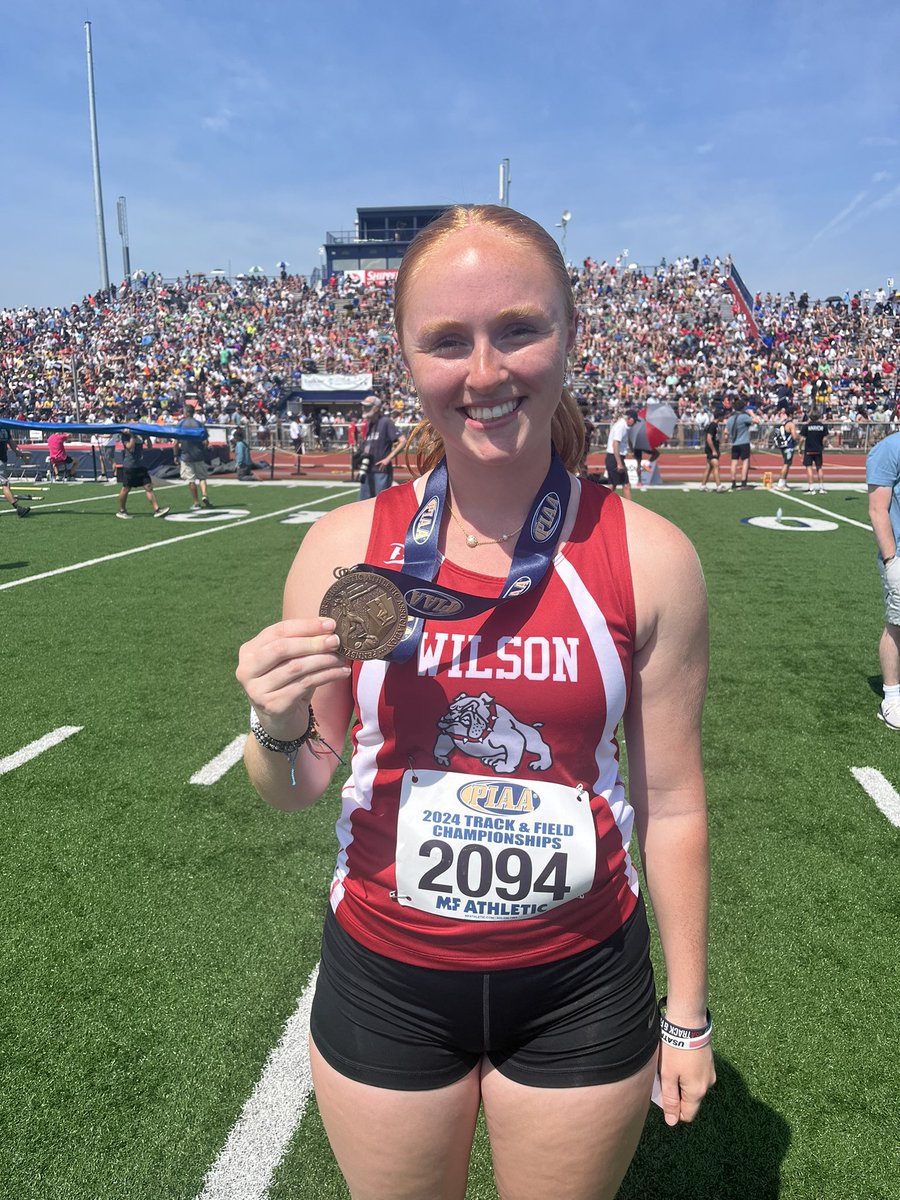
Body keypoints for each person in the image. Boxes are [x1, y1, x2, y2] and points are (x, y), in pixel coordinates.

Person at [236, 205, 715, 1200]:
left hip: (581, 983)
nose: (486, 372)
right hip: (388, 977)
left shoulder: (652, 558)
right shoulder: (340, 552)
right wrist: (277, 725)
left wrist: (689, 1014)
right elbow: (298, 784)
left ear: (571, 336)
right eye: (447, 342)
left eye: (518, 330)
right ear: (408, 360)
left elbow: (673, 803)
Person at [866, 431, 900, 729]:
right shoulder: (889, 448)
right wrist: (891, 559)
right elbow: (878, 509)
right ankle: (891, 696)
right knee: (897, 624)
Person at [357, 395, 405, 499]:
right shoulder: (369, 424)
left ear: (376, 408)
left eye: (368, 406)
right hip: (368, 470)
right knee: (363, 505)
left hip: (380, 471)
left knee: (381, 504)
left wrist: (388, 459)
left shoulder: (385, 422)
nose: (364, 409)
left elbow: (402, 441)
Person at [116, 429, 170, 520]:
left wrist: (147, 435)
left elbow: (149, 446)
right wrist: (132, 436)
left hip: (141, 465)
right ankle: (122, 510)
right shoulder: (125, 435)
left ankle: (157, 510)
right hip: (130, 466)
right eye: (134, 419)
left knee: (148, 487)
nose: (136, 421)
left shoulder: (140, 433)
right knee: (126, 488)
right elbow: (130, 448)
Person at [173, 402, 212, 509]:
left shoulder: (180, 424)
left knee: (191, 480)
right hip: (198, 454)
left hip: (186, 455)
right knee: (202, 477)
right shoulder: (199, 424)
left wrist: (175, 455)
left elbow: (175, 442)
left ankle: (196, 502)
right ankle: (204, 495)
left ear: (185, 413)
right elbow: (206, 442)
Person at [725, 396, 760, 488]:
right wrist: (751, 413)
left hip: (734, 443)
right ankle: (743, 482)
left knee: (734, 462)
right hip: (744, 442)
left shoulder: (730, 418)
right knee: (745, 462)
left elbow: (726, 431)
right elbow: (757, 421)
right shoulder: (744, 417)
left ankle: (733, 482)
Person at [605, 408, 636, 498]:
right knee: (626, 485)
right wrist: (619, 463)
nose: (634, 424)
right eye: (634, 420)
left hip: (613, 458)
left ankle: (599, 505)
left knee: (612, 485)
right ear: (630, 418)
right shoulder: (621, 426)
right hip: (614, 458)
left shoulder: (622, 426)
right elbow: (615, 444)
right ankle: (630, 510)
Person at [0, 423, 30, 517]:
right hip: (1, 460)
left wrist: (20, 454)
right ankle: (17, 507)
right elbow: (11, 443)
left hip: (2, 459)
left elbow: (11, 443)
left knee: (5, 483)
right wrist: (19, 454)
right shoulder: (5, 427)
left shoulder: (5, 427)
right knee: (5, 484)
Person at [800, 408, 828, 494]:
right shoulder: (823, 426)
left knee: (809, 468)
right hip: (818, 449)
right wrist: (822, 446)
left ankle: (811, 488)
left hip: (809, 449)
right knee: (819, 468)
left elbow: (802, 439)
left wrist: (799, 448)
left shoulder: (806, 426)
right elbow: (825, 439)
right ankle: (821, 487)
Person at [700, 408, 728, 491]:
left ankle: (703, 485)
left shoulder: (716, 425)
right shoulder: (713, 425)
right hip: (711, 450)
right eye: (723, 416)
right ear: (719, 416)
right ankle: (719, 486)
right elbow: (709, 438)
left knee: (709, 468)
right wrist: (713, 450)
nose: (724, 417)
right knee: (717, 466)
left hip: (713, 449)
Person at [772, 406, 799, 491]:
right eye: (795, 413)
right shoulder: (791, 424)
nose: (796, 415)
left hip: (784, 446)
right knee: (786, 464)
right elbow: (794, 436)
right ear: (791, 414)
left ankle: (783, 482)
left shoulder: (784, 421)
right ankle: (781, 484)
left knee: (787, 464)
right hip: (788, 446)